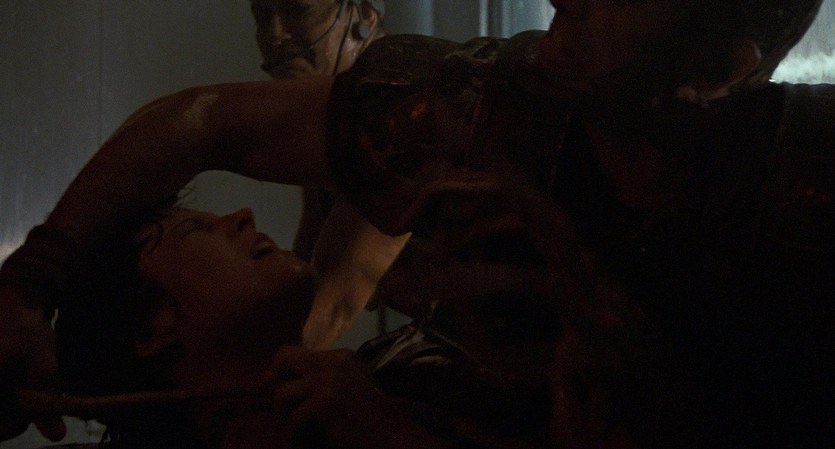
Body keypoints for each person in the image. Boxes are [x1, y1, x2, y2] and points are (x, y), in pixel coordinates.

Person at [3, 0, 834, 447]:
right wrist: (27, 284)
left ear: (715, 67)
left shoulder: (807, 194)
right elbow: (208, 122)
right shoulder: (489, 110)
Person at [249, 0, 411, 350]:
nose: (275, 35)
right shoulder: (339, 102)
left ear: (365, 15)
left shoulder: (398, 101)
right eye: (261, 16)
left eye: (297, 11)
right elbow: (312, 249)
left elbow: (334, 305)